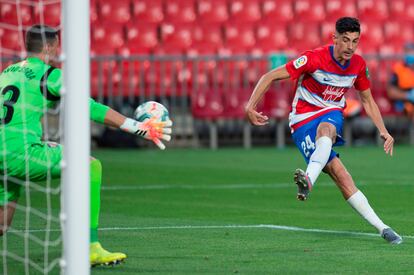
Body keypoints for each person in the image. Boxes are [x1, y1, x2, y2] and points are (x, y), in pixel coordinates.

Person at [0, 25, 172, 266]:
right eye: (56, 47)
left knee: (2, 224)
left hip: (3, 152)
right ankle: (90, 247)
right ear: (50, 47)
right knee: (90, 165)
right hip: (21, 154)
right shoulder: (49, 74)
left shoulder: (6, 73)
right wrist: (137, 127)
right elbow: (89, 107)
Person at [245, 17, 402, 244]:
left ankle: (382, 228)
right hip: (301, 120)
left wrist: (383, 130)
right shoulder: (313, 58)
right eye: (345, 40)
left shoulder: (358, 65)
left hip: (330, 113)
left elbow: (367, 100)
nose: (350, 47)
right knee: (342, 176)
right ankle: (379, 225)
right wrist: (250, 106)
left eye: (355, 41)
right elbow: (269, 76)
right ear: (334, 38)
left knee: (327, 129)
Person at [386, 43, 414, 117]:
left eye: (411, 51)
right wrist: (408, 95)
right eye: (407, 52)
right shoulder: (398, 69)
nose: (409, 54)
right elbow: (391, 92)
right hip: (404, 106)